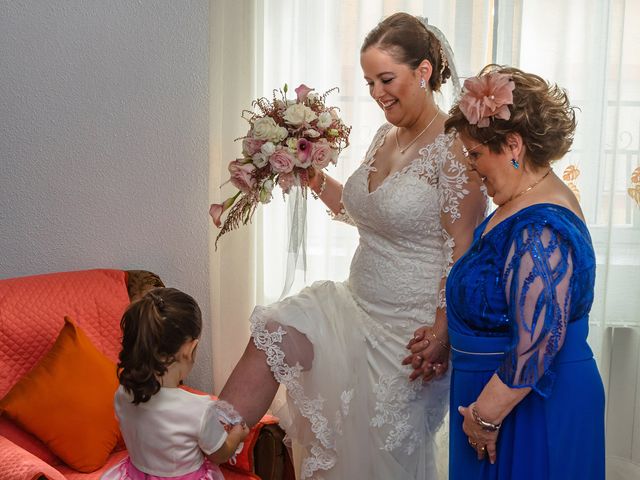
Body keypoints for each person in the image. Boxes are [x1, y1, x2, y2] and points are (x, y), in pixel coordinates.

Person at [219, 12, 486, 479]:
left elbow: (462, 249)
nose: (378, 93)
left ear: (423, 71)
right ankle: (200, 453)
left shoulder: (455, 146)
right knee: (272, 333)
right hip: (352, 306)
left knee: (378, 460)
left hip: (411, 334)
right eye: (369, 82)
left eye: (387, 79)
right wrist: (314, 178)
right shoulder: (387, 133)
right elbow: (368, 213)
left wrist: (442, 334)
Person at [441, 65, 605, 479]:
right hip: (504, 401)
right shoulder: (520, 203)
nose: (473, 167)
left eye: (476, 154)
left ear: (513, 145)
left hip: (528, 407)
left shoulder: (539, 227)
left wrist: (484, 416)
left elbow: (541, 339)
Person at [101, 288, 250, 480]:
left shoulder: (123, 393)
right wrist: (237, 435)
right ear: (190, 348)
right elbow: (219, 454)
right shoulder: (200, 409)